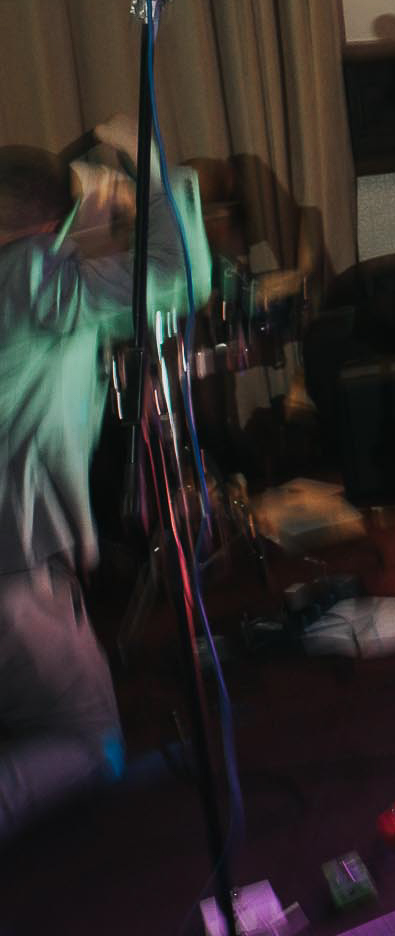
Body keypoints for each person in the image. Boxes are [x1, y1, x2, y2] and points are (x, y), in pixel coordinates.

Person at [0, 116, 208, 840]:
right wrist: (145, 172)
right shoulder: (30, 278)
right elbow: (184, 279)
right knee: (95, 748)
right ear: (51, 220)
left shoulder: (32, 282)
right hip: (11, 572)